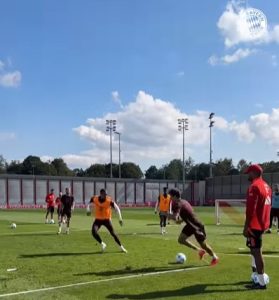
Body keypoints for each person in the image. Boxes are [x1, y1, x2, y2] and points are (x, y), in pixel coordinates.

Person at [168, 188, 219, 266]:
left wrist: (164, 214)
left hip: (196, 225)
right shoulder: (184, 201)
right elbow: (189, 212)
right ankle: (199, 251)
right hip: (190, 225)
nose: (170, 198)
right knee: (181, 240)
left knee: (203, 245)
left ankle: (215, 257)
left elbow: (175, 217)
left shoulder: (178, 204)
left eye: (170, 196)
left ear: (175, 196)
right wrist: (182, 220)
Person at [243, 164, 271, 289]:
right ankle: (256, 277)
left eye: (249, 173)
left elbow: (250, 210)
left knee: (256, 252)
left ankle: (261, 282)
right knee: (254, 252)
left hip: (255, 225)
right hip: (262, 223)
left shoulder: (254, 187)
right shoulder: (267, 186)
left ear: (254, 173)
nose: (248, 175)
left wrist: (246, 226)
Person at [86, 189, 127, 253]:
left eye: (106, 194)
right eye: (104, 194)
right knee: (93, 232)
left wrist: (120, 218)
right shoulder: (95, 198)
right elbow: (89, 204)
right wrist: (88, 210)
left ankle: (121, 247)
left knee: (113, 233)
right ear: (101, 194)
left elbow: (117, 208)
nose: (105, 196)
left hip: (106, 220)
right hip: (98, 220)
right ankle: (103, 244)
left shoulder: (109, 200)